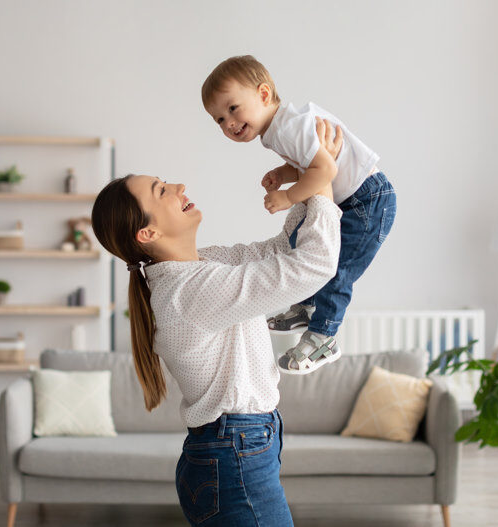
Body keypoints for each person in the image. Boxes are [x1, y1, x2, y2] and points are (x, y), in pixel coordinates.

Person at [90, 120, 343, 527]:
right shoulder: (190, 290)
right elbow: (312, 265)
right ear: (148, 232)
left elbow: (281, 250)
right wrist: (324, 183)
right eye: (162, 191)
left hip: (236, 451)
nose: (178, 187)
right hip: (235, 455)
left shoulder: (205, 267)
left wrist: (305, 182)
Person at [202, 55, 397, 375]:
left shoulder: (289, 126)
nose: (229, 124)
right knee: (299, 241)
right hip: (353, 197)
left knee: (336, 268)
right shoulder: (278, 128)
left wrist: (287, 196)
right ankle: (308, 304)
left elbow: (326, 168)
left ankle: (324, 336)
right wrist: (284, 173)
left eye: (232, 109)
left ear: (264, 94)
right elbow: (311, 162)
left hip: (368, 199)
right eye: (219, 120)